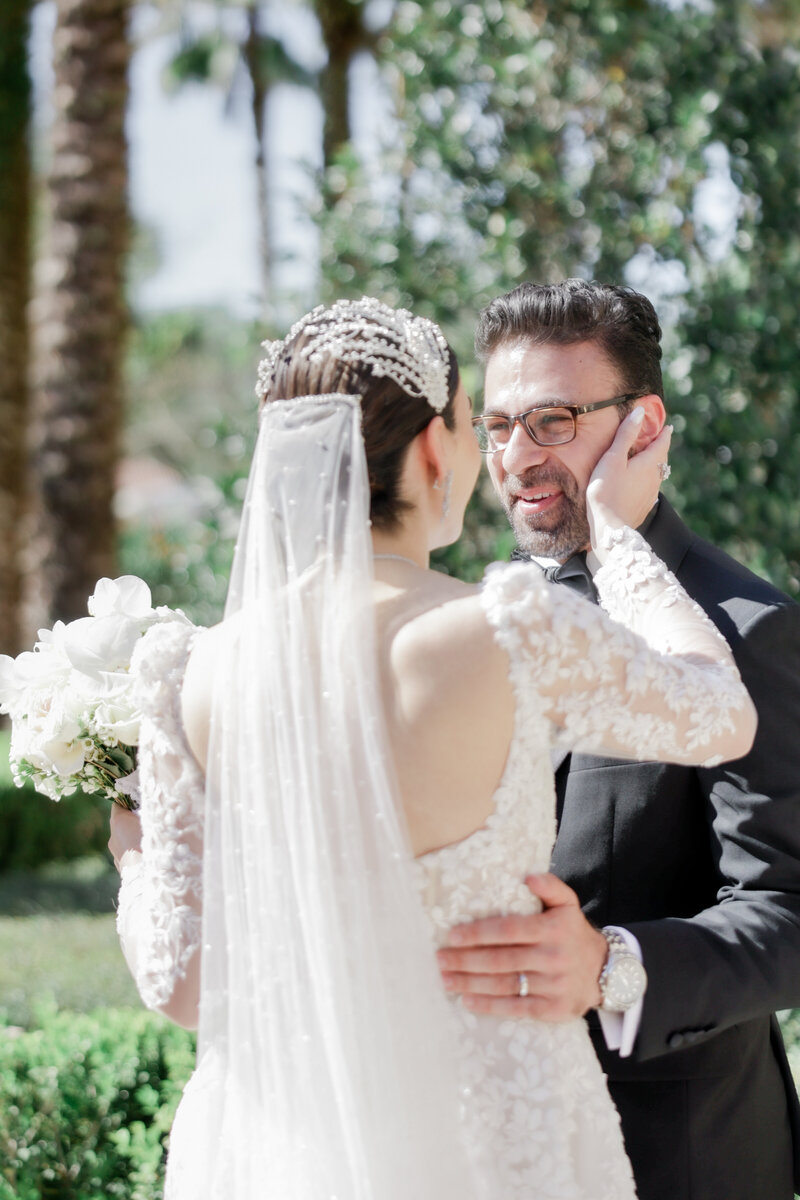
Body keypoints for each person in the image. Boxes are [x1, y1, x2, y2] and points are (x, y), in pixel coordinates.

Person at [109, 297, 756, 1200]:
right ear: (428, 449)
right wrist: (618, 537)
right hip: (494, 1137)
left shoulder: (186, 669)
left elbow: (180, 986)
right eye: (476, 423)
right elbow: (721, 711)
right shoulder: (504, 628)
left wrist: (134, 858)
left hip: (289, 1146)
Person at [439, 279, 800, 1200]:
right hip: (479, 1140)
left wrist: (613, 966)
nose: (516, 456)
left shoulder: (745, 627)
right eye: (498, 424)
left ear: (642, 425)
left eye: (553, 420)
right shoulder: (461, 626)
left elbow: (791, 911)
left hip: (677, 1157)